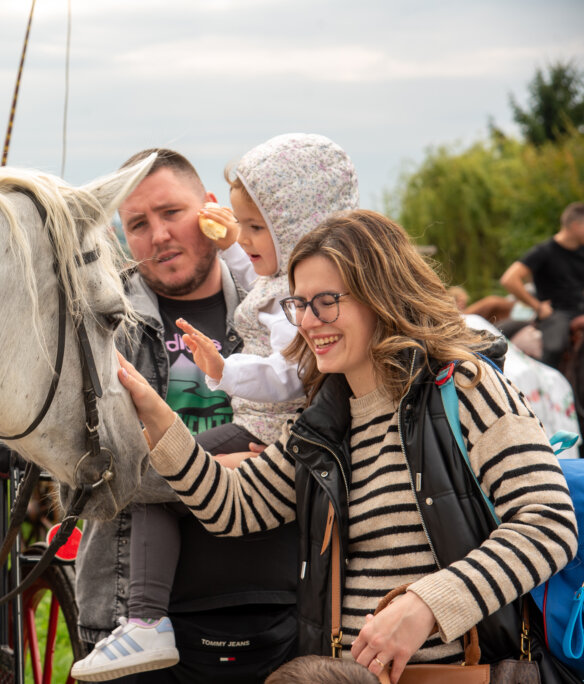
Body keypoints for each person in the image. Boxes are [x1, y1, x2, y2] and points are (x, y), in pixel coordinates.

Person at [114, 209, 577, 682]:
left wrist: (427, 605)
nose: (307, 321)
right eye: (299, 303)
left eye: (327, 301)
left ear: (382, 294)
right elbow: (234, 506)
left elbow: (549, 524)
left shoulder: (466, 387)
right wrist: (157, 416)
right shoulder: (325, 422)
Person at [73, 134, 359, 681]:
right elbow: (80, 474)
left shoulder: (289, 302)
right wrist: (206, 473)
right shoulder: (102, 327)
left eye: (171, 213)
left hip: (279, 604)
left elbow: (342, 436)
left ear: (209, 209)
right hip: (136, 605)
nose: (158, 235)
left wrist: (257, 469)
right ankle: (145, 623)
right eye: (137, 223)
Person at [499, 201, 584, 370]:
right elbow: (509, 279)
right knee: (554, 347)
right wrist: (537, 306)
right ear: (575, 225)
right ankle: (546, 383)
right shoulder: (544, 251)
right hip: (556, 313)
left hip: (580, 309)